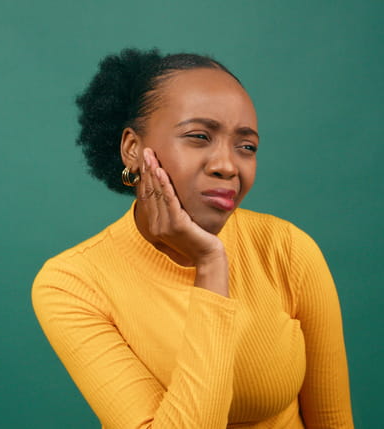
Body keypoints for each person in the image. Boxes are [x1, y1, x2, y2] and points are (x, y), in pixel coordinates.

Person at [31, 48, 354, 428]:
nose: (227, 165)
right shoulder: (72, 284)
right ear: (132, 149)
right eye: (199, 136)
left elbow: (333, 421)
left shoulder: (287, 250)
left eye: (246, 146)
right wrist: (211, 266)